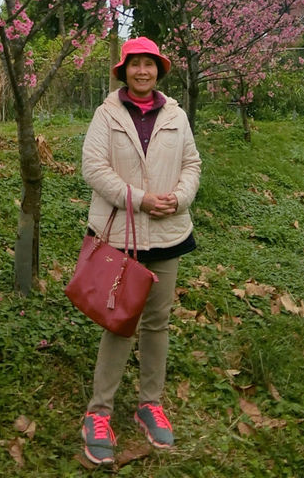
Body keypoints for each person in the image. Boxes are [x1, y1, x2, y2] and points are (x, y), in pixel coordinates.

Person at [79, 36, 202, 465]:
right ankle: (99, 413)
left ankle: (150, 403)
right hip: (121, 237)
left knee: (158, 323)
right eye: (135, 65)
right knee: (118, 322)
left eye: (150, 65)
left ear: (159, 71)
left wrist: (179, 197)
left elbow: (192, 164)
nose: (143, 72)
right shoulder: (107, 114)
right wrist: (140, 198)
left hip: (168, 233)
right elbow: (93, 167)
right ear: (123, 71)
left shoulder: (176, 115)